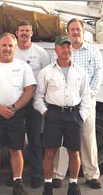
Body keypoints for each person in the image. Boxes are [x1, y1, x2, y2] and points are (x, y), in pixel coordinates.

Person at [0, 33, 36, 195]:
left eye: (10, 45)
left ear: (15, 48)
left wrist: (15, 108)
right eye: (3, 45)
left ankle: (18, 185)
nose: (7, 48)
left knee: (16, 150)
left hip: (16, 114)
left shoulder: (24, 66)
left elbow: (30, 89)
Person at [35, 35, 91, 195]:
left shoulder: (81, 72)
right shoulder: (46, 72)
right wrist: (46, 113)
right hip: (53, 115)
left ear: (71, 49)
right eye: (62, 47)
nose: (66, 50)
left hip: (74, 116)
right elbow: (38, 97)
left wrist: (81, 116)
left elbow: (86, 96)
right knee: (50, 152)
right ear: (56, 49)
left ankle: (73, 185)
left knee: (74, 152)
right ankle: (48, 185)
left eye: (68, 46)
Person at [52, 18, 103, 190]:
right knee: (64, 139)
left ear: (83, 31)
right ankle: (58, 174)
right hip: (66, 103)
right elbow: (55, 73)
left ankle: (91, 175)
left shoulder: (93, 50)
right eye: (72, 30)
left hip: (87, 103)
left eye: (78, 30)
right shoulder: (61, 50)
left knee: (88, 138)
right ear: (68, 32)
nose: (75, 33)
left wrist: (88, 97)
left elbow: (98, 74)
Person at [13, 20, 50, 188]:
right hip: (17, 103)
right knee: (16, 141)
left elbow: (46, 77)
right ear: (16, 33)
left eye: (27, 30)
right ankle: (17, 176)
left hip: (34, 103)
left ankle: (36, 174)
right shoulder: (12, 51)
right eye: (22, 31)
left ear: (32, 33)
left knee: (35, 139)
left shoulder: (41, 53)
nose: (24, 33)